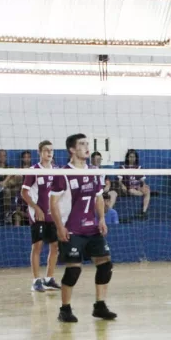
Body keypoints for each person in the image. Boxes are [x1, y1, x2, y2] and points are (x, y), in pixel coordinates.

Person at [49, 133, 116, 323]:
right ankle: (65, 309)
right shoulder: (63, 173)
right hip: (71, 229)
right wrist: (60, 227)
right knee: (74, 270)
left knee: (105, 265)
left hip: (92, 228)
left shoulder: (94, 171)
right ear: (72, 149)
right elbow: (53, 203)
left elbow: (98, 197)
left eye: (87, 143)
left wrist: (101, 219)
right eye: (82, 144)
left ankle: (100, 306)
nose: (87, 147)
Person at [21, 140, 60, 292]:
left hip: (52, 215)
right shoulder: (33, 170)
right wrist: (36, 208)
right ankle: (36, 280)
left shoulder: (57, 170)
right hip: (38, 214)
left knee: (55, 246)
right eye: (46, 150)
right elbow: (24, 193)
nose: (49, 153)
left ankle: (49, 279)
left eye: (51, 150)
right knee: (37, 246)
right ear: (39, 152)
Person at [118, 149, 150, 220]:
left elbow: (142, 180)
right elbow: (119, 181)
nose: (132, 158)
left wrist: (144, 185)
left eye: (133, 157)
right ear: (127, 157)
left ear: (136, 158)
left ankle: (143, 212)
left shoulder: (139, 168)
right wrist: (122, 185)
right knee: (131, 191)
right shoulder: (123, 167)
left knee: (147, 190)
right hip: (128, 187)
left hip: (138, 187)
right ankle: (143, 194)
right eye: (130, 157)